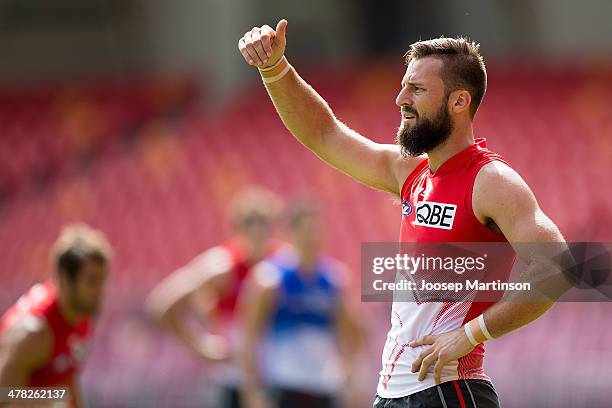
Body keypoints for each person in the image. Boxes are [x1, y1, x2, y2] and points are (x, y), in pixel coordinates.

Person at [237, 20, 569, 407]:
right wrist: (275, 68)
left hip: (449, 391)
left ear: (458, 102)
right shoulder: (411, 171)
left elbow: (559, 267)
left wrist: (472, 334)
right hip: (394, 394)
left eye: (418, 89)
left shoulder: (491, 181)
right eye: (403, 85)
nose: (400, 99)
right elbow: (324, 134)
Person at [145, 186, 281, 408]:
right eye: (254, 228)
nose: (260, 237)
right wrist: (200, 346)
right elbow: (162, 304)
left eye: (265, 228)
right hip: (233, 378)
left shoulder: (279, 264)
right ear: (239, 229)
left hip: (276, 378)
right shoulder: (223, 266)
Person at [238, 201, 363, 408]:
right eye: (306, 231)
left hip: (323, 386)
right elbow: (249, 336)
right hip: (283, 384)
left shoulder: (333, 280)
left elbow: (352, 333)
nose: (312, 238)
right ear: (292, 233)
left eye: (316, 231)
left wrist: (350, 375)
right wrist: (252, 392)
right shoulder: (270, 278)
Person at [0, 224, 112, 408]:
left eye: (103, 280)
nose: (100, 291)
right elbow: (4, 395)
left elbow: (67, 377)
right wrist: (55, 398)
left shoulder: (81, 316)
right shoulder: (32, 334)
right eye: (92, 281)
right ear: (64, 279)